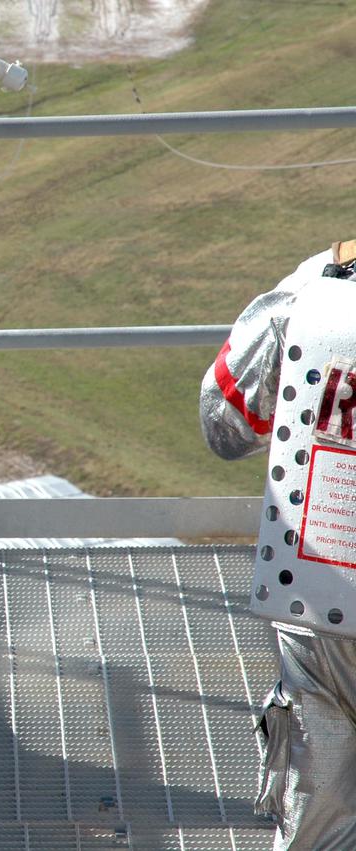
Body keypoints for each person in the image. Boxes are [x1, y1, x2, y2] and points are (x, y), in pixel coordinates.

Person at [199, 244, 356, 849]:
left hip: (320, 613)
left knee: (316, 829)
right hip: (316, 614)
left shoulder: (316, 288)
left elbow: (225, 424)